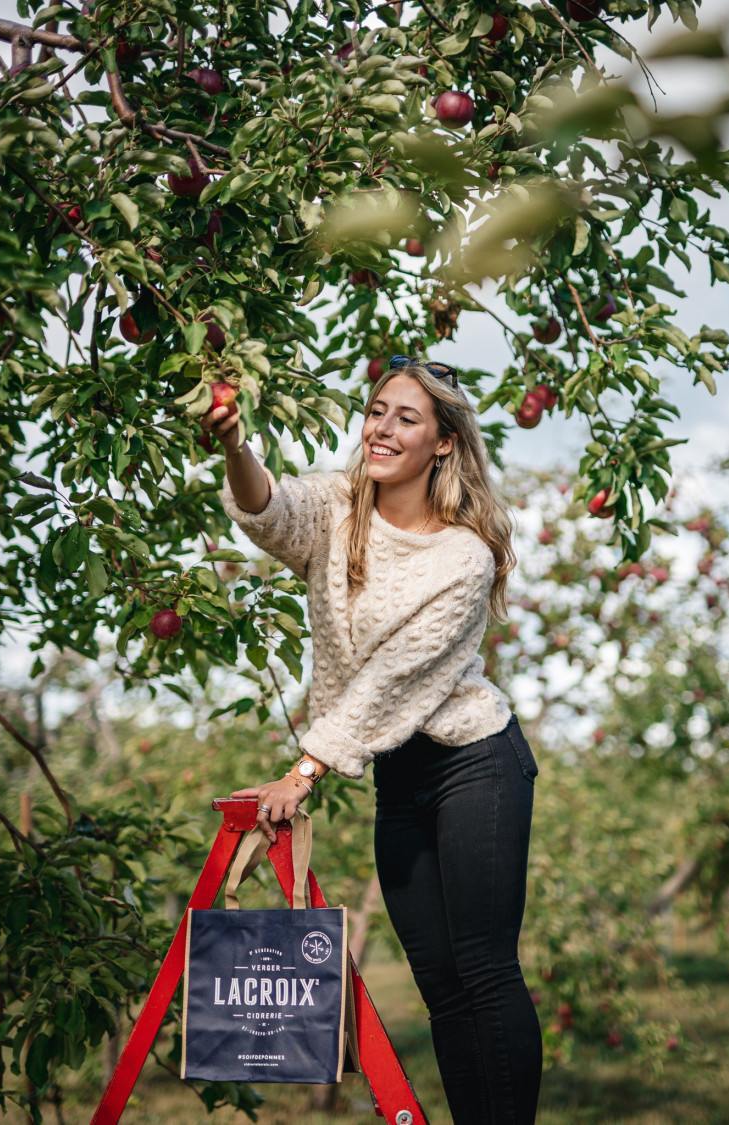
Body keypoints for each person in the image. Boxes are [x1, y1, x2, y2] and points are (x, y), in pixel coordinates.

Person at [203, 356, 543, 1124]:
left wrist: (304, 769)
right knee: (440, 982)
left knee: (484, 970)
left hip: (475, 764)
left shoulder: (463, 556)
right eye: (377, 411)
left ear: (444, 443)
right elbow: (270, 511)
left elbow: (392, 677)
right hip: (402, 773)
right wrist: (233, 444)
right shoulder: (337, 505)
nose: (383, 428)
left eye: (407, 418)